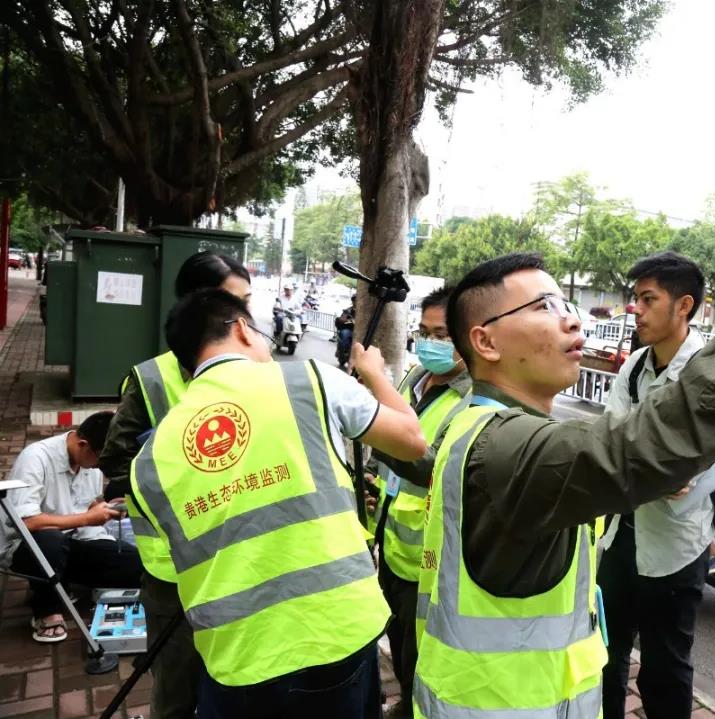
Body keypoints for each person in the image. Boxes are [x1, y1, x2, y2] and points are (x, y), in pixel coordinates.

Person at [412, 194, 715, 717]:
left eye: (565, 305)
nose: (572, 321)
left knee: (665, 659)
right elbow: (645, 442)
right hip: (503, 704)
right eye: (544, 307)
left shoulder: (482, 426)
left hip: (658, 560)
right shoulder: (508, 445)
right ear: (487, 342)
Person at [130, 288, 425, 718]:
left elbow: (164, 569)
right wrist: (375, 373)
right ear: (242, 330)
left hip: (233, 659)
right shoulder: (307, 380)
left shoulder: (148, 462)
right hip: (333, 635)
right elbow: (413, 442)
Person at [97, 251, 251, 719]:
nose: (246, 318)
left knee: (238, 681)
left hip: (242, 562)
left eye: (248, 302)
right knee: (178, 690)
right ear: (195, 303)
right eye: (234, 303)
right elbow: (115, 466)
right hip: (175, 572)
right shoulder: (151, 379)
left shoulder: (255, 372)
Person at [597, 251, 715, 718]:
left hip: (676, 548)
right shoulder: (633, 367)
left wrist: (674, 469)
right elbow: (614, 439)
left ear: (684, 306)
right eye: (635, 299)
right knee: (604, 657)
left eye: (648, 299)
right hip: (620, 537)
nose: (637, 310)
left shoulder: (711, 371)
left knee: (665, 668)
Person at [369, 286, 472, 718]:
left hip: (426, 559)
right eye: (424, 332)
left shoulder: (472, 398)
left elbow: (435, 468)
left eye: (443, 335)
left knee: (420, 653)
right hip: (391, 541)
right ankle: (405, 702)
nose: (431, 343)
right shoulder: (415, 377)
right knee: (395, 637)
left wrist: (373, 426)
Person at [0, 412, 140, 643]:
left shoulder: (90, 464)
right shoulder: (36, 458)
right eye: (99, 459)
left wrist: (104, 508)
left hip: (77, 541)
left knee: (136, 565)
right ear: (83, 444)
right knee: (51, 541)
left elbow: (88, 503)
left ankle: (66, 580)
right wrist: (87, 518)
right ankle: (46, 610)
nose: (99, 467)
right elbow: (27, 522)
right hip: (30, 547)